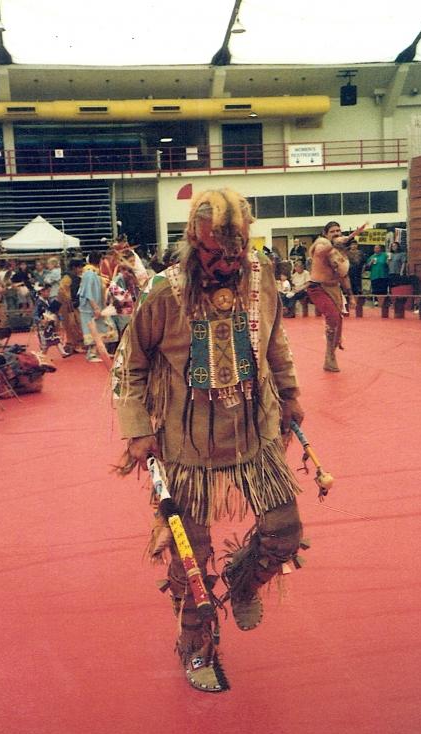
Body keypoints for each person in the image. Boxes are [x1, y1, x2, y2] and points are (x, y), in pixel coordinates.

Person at [113, 188, 305, 692]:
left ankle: (243, 584)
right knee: (190, 562)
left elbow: (276, 342)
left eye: (237, 252)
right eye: (215, 254)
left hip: (254, 436)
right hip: (185, 448)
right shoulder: (164, 292)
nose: (228, 265)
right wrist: (137, 428)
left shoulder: (261, 279)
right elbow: (129, 363)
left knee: (284, 532)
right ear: (191, 245)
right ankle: (196, 644)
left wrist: (290, 394)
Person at [307, 221, 358, 373]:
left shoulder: (339, 252)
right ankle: (329, 355)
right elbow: (321, 252)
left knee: (338, 321)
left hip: (334, 289)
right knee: (333, 316)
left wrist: (351, 296)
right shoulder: (320, 244)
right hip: (317, 288)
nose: (336, 233)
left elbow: (344, 275)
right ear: (325, 233)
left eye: (338, 231)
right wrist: (334, 243)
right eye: (332, 231)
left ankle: (331, 355)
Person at [78, 250, 117, 362]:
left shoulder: (93, 273)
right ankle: (92, 354)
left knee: (101, 328)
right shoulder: (89, 274)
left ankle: (98, 352)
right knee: (93, 329)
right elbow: (88, 292)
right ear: (99, 260)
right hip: (90, 307)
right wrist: (95, 307)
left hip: (96, 306)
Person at [33, 284, 70, 358]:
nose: (48, 293)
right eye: (47, 292)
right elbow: (35, 315)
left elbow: (54, 311)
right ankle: (42, 356)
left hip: (50, 323)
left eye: (49, 292)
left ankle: (62, 352)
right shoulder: (38, 303)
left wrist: (60, 318)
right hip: (43, 325)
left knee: (55, 338)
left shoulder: (48, 301)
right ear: (41, 292)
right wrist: (40, 320)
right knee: (45, 343)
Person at [58, 259, 84, 354]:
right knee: (71, 325)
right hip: (68, 305)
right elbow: (63, 291)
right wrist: (69, 303)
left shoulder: (74, 277)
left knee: (77, 324)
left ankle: (76, 344)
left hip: (74, 304)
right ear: (74, 268)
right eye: (80, 267)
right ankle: (74, 345)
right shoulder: (67, 278)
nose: (81, 269)